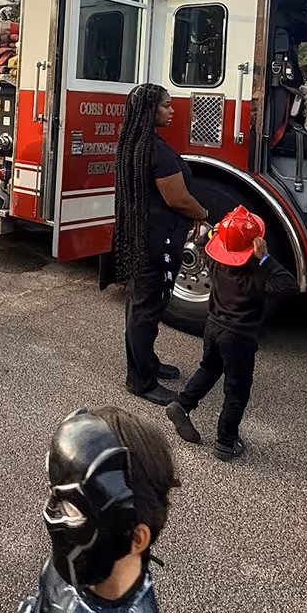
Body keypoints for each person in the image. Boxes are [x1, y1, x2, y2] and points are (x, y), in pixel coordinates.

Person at [2, 406, 176, 613]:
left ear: (135, 538)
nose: (52, 512)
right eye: (55, 496)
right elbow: (43, 608)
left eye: (71, 507)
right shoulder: (73, 564)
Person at [165, 206, 297, 460]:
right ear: (253, 246)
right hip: (239, 337)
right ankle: (226, 441)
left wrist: (215, 232)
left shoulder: (213, 262)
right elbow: (289, 285)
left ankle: (182, 404)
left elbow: (203, 242)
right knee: (236, 390)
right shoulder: (256, 276)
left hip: (213, 326)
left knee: (209, 368)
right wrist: (266, 258)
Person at [113, 83, 210, 405]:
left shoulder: (136, 142)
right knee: (147, 309)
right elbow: (178, 198)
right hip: (156, 241)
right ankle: (140, 381)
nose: (172, 110)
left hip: (143, 237)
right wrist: (202, 213)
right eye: (166, 106)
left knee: (140, 306)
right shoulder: (156, 150)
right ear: (150, 111)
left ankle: (148, 364)